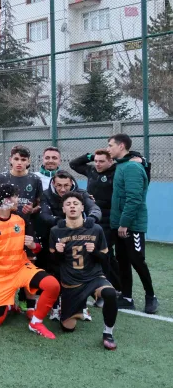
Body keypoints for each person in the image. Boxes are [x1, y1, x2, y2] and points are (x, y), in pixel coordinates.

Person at [0, 183, 60, 339]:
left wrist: (33, 245)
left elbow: (36, 247)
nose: (18, 199)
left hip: (21, 268)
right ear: (5, 200)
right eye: (15, 196)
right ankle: (9, 304)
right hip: (0, 276)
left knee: (52, 285)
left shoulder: (21, 219)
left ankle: (36, 323)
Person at [69, 148, 147, 295]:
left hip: (112, 218)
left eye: (102, 161)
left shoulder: (117, 170)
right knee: (104, 254)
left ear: (111, 161)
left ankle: (116, 286)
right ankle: (113, 286)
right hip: (95, 217)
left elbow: (133, 161)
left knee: (108, 253)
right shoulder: (91, 170)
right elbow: (74, 164)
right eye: (96, 161)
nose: (98, 164)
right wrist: (91, 156)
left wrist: (140, 159)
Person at [49, 192, 119, 350]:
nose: (72, 206)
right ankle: (75, 308)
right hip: (71, 282)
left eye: (76, 204)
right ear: (63, 209)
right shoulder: (56, 231)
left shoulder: (95, 229)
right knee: (67, 328)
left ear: (82, 207)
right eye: (68, 204)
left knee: (110, 293)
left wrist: (95, 252)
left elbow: (105, 259)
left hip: (93, 278)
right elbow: (53, 264)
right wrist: (58, 252)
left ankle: (108, 333)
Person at [107, 134, 158, 314]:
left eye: (110, 145)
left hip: (132, 225)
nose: (108, 149)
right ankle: (127, 297)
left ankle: (151, 296)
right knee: (122, 261)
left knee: (137, 260)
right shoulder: (122, 165)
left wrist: (124, 224)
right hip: (119, 224)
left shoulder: (132, 168)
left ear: (121, 146)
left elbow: (134, 199)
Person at [0, 145, 44, 309]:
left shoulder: (34, 179)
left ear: (28, 161)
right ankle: (7, 300)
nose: (19, 162)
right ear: (10, 160)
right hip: (6, 228)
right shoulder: (2, 177)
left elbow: (39, 203)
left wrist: (33, 209)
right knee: (6, 262)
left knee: (29, 261)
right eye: (16, 159)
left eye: (23, 159)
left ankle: (29, 304)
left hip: (27, 227)